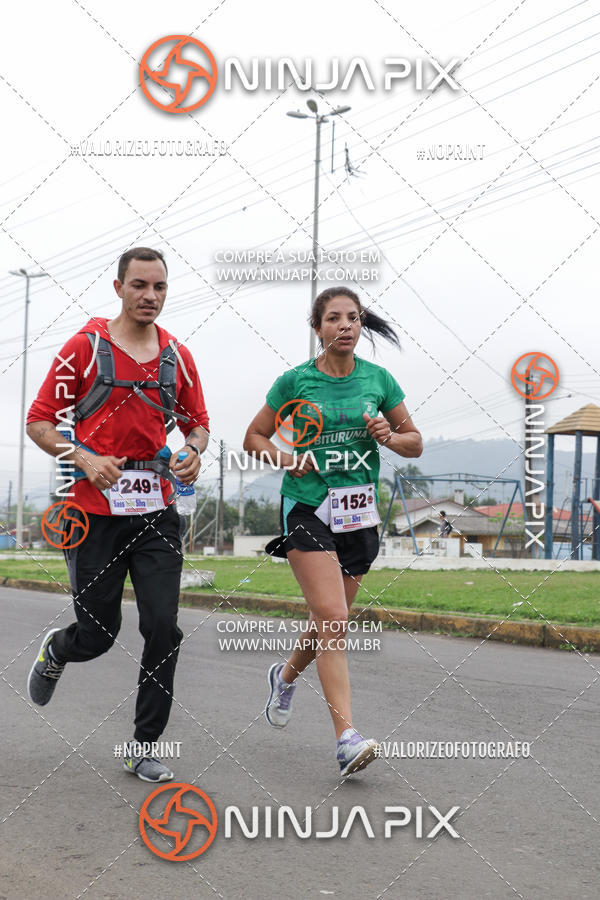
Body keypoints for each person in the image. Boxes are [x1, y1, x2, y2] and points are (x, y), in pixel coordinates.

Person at [26, 247, 209, 783]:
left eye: (159, 287)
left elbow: (197, 423)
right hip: (92, 516)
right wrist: (82, 456)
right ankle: (60, 649)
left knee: (163, 627)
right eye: (139, 286)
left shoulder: (177, 356)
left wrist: (193, 450)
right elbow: (39, 423)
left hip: (156, 511)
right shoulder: (83, 349)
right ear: (118, 287)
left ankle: (144, 744)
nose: (149, 296)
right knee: (99, 633)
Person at [243, 286, 422, 776]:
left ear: (360, 326)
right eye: (334, 318)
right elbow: (252, 437)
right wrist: (286, 456)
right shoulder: (295, 381)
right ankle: (346, 737)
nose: (345, 325)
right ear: (317, 327)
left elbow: (415, 444)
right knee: (334, 619)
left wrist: (391, 435)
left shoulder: (379, 379)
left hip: (359, 514)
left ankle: (284, 676)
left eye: (353, 318)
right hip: (307, 509)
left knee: (329, 621)